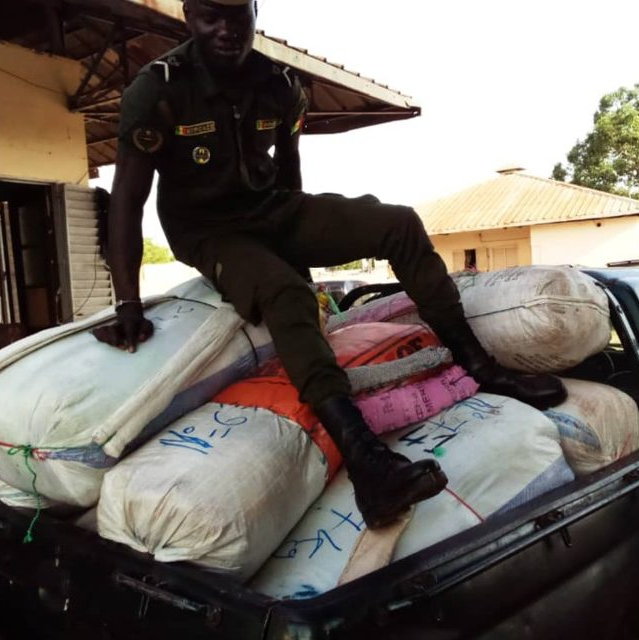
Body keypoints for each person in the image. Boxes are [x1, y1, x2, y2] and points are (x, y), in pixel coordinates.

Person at [95, 0, 567, 529]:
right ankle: (367, 462)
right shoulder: (158, 89)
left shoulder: (280, 86)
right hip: (207, 230)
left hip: (272, 209)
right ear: (188, 14)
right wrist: (128, 301)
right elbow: (126, 203)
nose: (226, 29)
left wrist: (297, 248)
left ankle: (481, 368)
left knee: (399, 222)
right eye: (211, 15)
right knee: (286, 294)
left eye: (238, 14)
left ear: (256, 11)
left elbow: (291, 179)